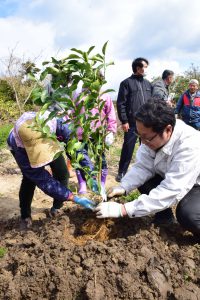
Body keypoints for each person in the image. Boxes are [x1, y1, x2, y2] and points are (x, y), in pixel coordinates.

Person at [94, 99, 200, 237]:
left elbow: (172, 189)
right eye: (140, 136)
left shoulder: (189, 145)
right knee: (144, 180)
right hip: (175, 177)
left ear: (168, 130)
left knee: (188, 214)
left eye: (147, 138)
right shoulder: (152, 136)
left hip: (196, 184)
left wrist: (123, 209)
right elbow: (143, 167)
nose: (143, 142)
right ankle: (165, 218)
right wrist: (124, 186)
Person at [7, 110, 96, 229]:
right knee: (29, 180)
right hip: (23, 149)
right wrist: (72, 197)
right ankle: (25, 216)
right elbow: (43, 180)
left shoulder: (56, 123)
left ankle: (56, 208)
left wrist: (90, 174)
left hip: (49, 143)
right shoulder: (18, 145)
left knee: (62, 173)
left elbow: (76, 149)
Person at [115, 57, 152, 182]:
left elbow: (151, 102)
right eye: (145, 66)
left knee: (146, 148)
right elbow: (121, 104)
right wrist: (124, 121)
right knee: (128, 148)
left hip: (146, 123)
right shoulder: (126, 83)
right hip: (132, 123)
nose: (146, 69)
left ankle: (146, 171)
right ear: (138, 68)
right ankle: (121, 172)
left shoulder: (148, 84)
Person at [75, 92, 117, 194]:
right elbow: (72, 112)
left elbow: (110, 113)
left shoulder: (104, 96)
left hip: (98, 133)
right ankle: (82, 183)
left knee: (100, 158)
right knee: (78, 158)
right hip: (81, 133)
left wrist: (111, 130)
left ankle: (101, 184)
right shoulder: (78, 95)